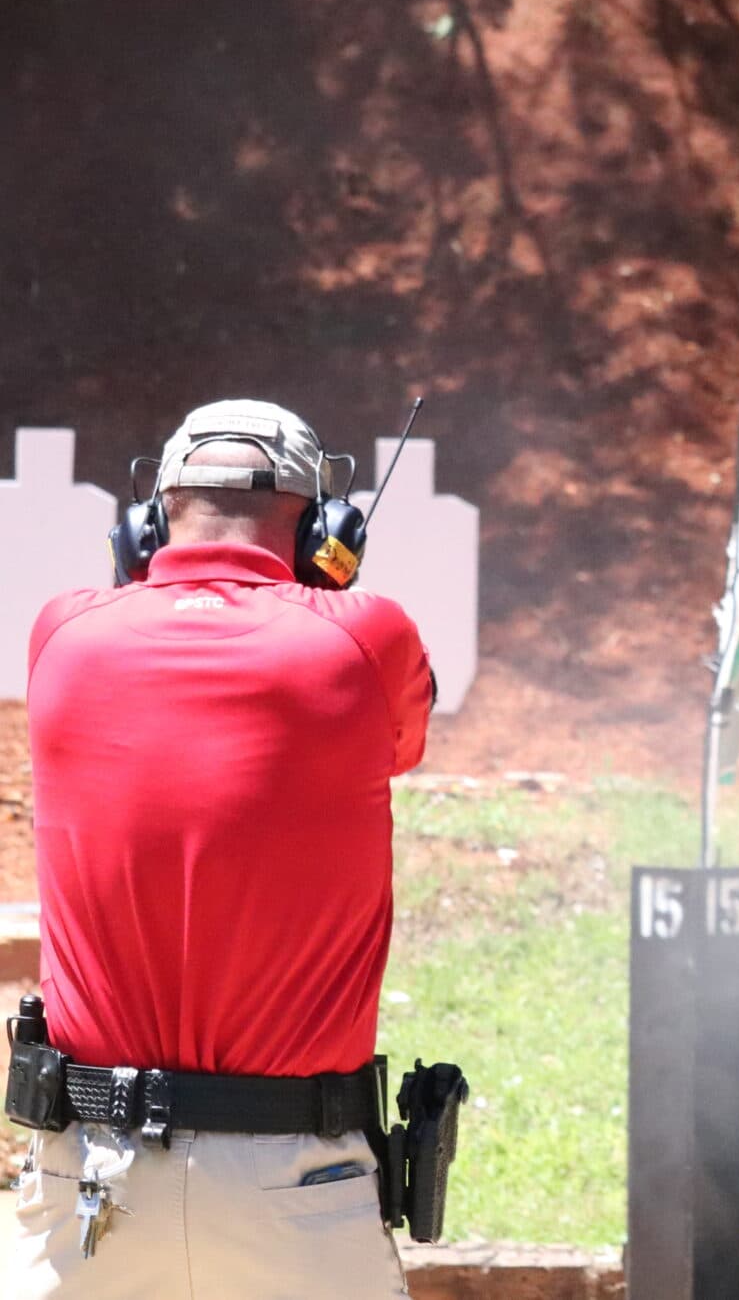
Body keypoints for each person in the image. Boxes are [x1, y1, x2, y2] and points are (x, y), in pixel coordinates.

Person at [9, 400, 435, 1298]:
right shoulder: (367, 637)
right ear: (326, 530)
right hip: (299, 1190)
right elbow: (400, 744)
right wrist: (319, 601)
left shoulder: (62, 636)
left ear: (147, 523)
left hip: (91, 1178)